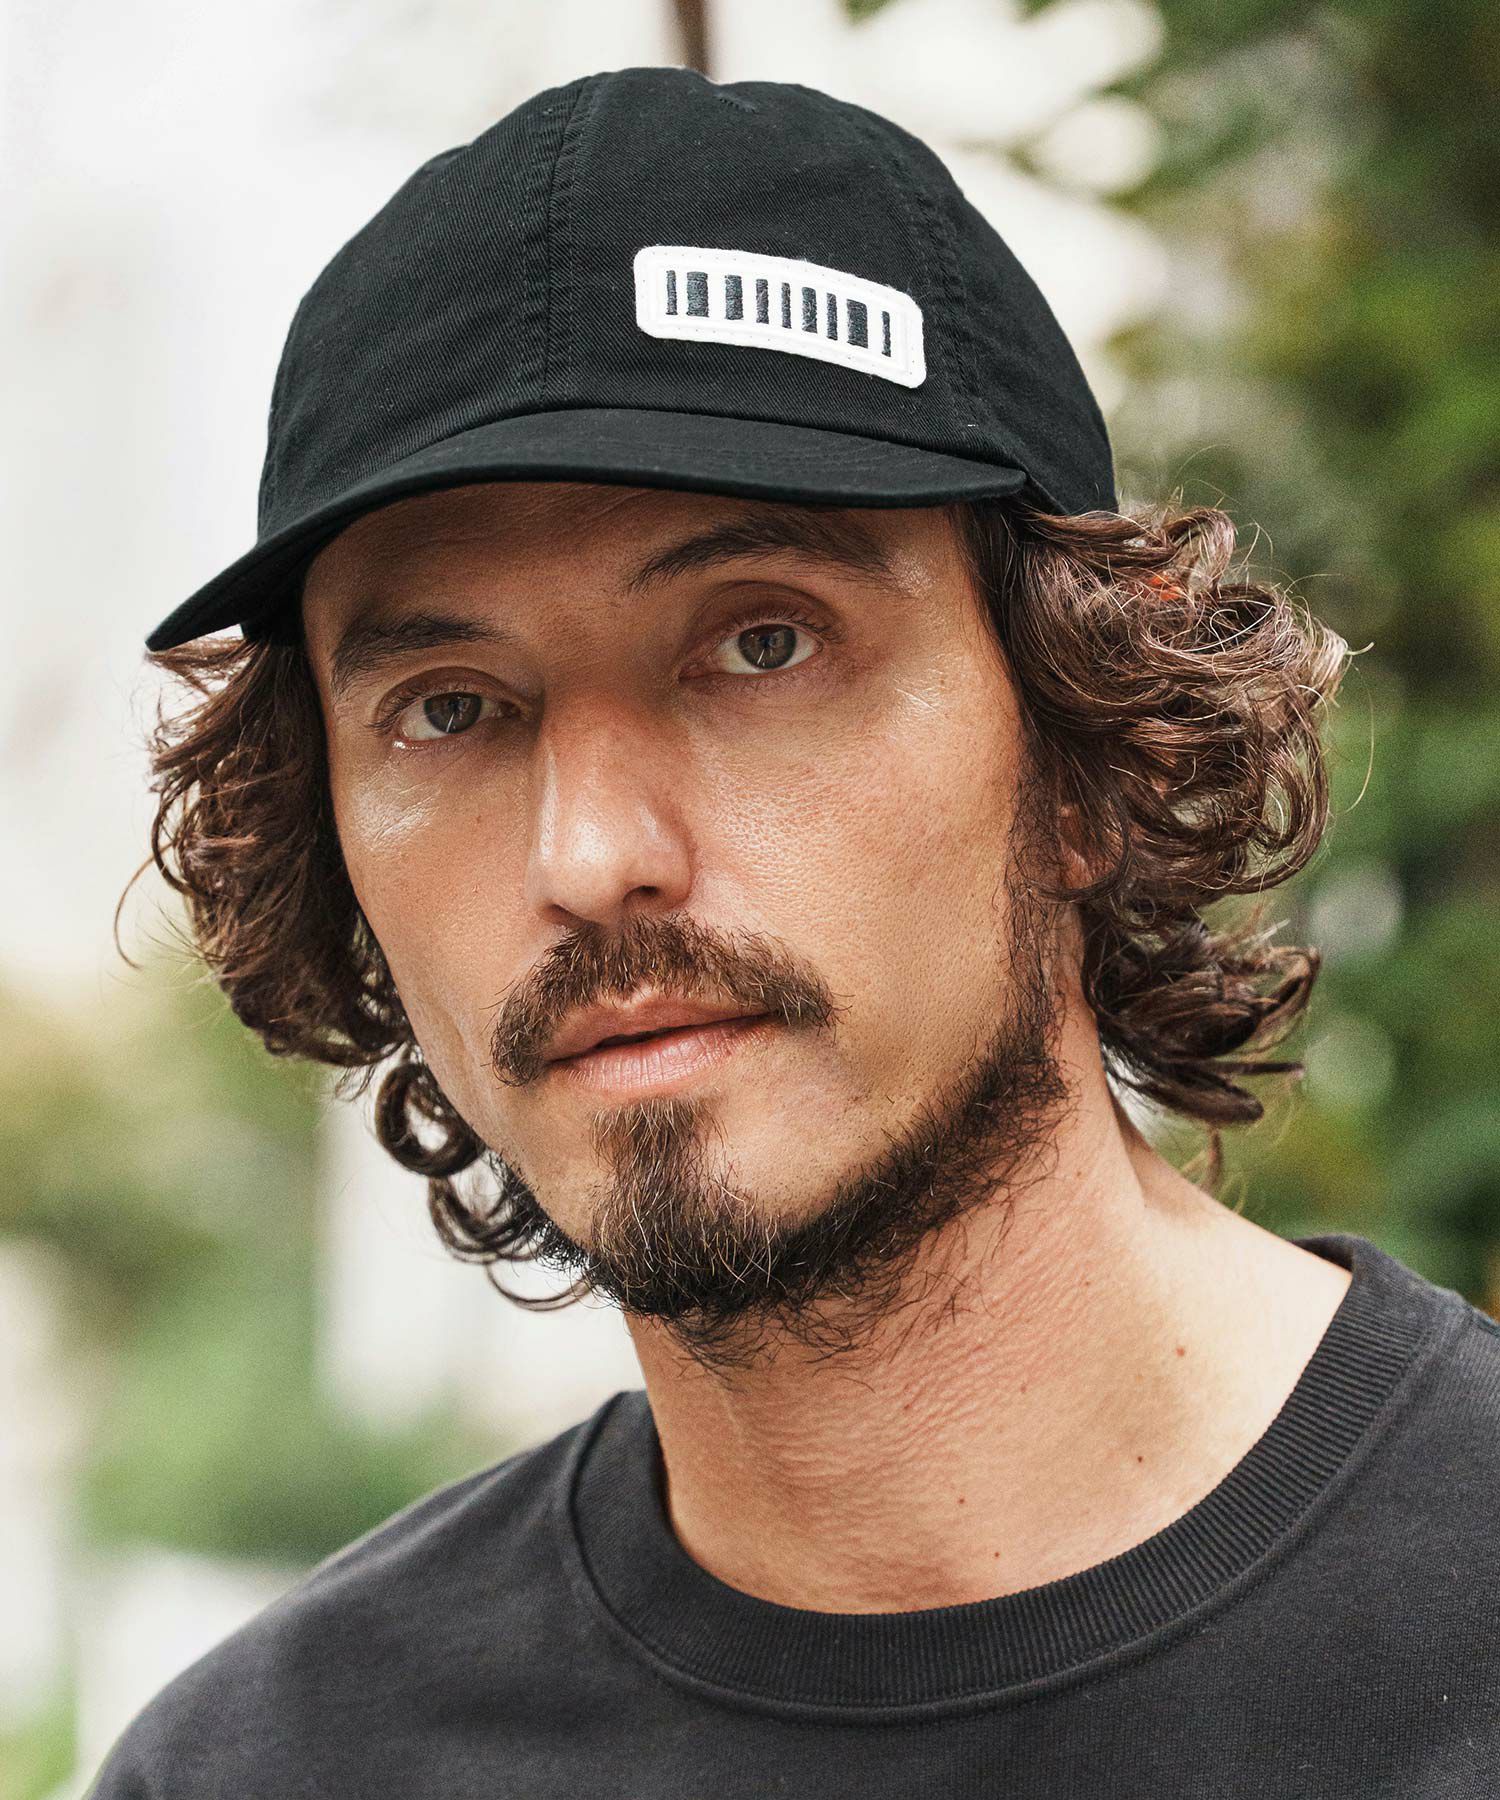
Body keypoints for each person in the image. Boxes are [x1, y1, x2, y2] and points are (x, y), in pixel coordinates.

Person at [94, 65, 1498, 1799]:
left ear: (1082, 755)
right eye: (452, 708)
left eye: (764, 644)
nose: (593, 856)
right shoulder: (264, 1770)